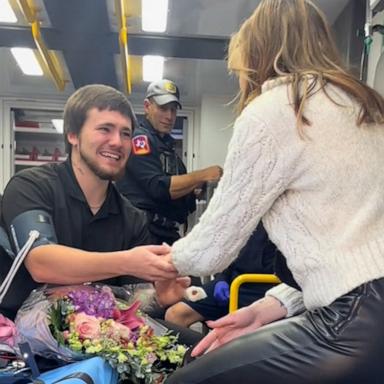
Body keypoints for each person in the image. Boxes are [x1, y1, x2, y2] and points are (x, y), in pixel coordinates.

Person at [164, 0, 384, 383]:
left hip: (352, 322)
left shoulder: (277, 108)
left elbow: (212, 248)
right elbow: (351, 255)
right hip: (364, 315)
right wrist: (272, 306)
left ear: (256, 54)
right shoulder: (365, 107)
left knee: (188, 378)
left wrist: (156, 262)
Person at [0, 84, 189, 323]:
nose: (117, 142)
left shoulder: (132, 218)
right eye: (105, 129)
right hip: (16, 341)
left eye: (125, 133)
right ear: (73, 135)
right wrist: (127, 261)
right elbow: (41, 262)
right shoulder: (30, 186)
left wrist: (159, 297)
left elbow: (128, 303)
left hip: (93, 341)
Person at [116, 79, 223, 245]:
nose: (169, 116)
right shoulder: (140, 140)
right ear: (147, 106)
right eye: (163, 108)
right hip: (142, 234)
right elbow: (158, 187)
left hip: (165, 233)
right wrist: (202, 175)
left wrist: (195, 190)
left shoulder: (168, 148)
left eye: (173, 110)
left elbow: (177, 192)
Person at [165, 222, 277, 327]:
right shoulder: (246, 214)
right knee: (175, 315)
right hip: (231, 279)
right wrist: (222, 278)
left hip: (267, 288)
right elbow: (227, 252)